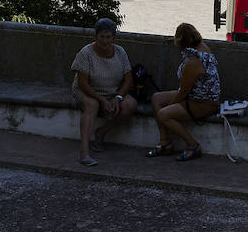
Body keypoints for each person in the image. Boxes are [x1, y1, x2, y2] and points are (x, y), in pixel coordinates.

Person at [147, 22, 221, 162]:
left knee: (163, 114)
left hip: (203, 103)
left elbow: (183, 92)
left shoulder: (193, 63)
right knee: (156, 98)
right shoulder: (202, 47)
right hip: (197, 96)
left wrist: (170, 106)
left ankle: (193, 145)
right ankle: (164, 142)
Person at [70, 17, 136, 167]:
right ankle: (84, 151)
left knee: (131, 104)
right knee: (92, 105)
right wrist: (102, 100)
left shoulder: (120, 52)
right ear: (96, 36)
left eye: (108, 37)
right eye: (102, 37)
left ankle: (101, 133)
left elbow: (128, 79)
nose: (105, 41)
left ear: (113, 37)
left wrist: (118, 97)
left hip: (112, 92)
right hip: (87, 91)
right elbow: (82, 83)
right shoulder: (85, 53)